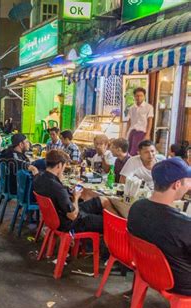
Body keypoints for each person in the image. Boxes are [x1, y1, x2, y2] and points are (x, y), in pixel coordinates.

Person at [127, 157, 191, 296]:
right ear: (177, 184)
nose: (190, 186)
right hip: (179, 283)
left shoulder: (136, 207)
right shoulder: (182, 225)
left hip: (147, 271)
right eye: (188, 181)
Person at [33, 150, 114, 233]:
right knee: (109, 223)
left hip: (57, 216)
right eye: (64, 166)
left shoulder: (38, 178)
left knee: (102, 200)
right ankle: (119, 232)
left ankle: (118, 226)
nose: (64, 169)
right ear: (59, 165)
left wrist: (60, 181)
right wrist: (76, 197)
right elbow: (73, 216)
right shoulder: (58, 188)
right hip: (68, 222)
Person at [126, 87, 154, 155]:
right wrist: (126, 133)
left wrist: (147, 134)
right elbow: (129, 121)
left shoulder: (149, 107)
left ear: (144, 96)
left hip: (142, 133)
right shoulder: (131, 108)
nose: (139, 97)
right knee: (130, 152)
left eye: (141, 96)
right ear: (134, 97)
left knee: (139, 152)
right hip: (132, 132)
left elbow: (150, 121)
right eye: (137, 96)